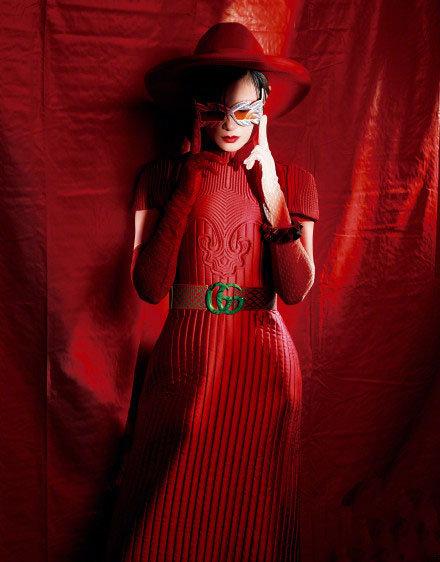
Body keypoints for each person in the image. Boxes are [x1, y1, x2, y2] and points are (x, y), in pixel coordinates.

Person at [105, 22, 319, 562]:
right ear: (194, 107)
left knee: (257, 520)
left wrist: (272, 194)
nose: (229, 124)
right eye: (216, 109)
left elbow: (296, 289)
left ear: (263, 113)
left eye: (244, 112)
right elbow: (149, 287)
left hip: (263, 364)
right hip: (187, 360)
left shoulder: (294, 180)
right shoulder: (159, 176)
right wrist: (185, 191)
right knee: (164, 515)